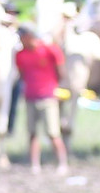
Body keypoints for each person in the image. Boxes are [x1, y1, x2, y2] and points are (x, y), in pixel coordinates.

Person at [14, 24, 70, 174]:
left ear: (29, 36)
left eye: (21, 37)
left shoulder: (49, 50)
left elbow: (61, 71)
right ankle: (35, 165)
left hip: (48, 97)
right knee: (32, 133)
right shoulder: (20, 55)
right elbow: (22, 74)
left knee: (53, 133)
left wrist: (55, 88)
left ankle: (62, 163)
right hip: (30, 97)